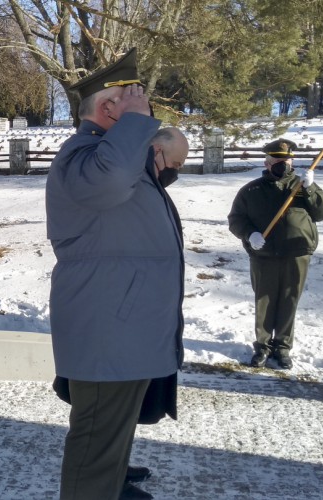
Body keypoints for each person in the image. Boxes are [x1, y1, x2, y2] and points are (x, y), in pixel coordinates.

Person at [45, 48, 185, 500]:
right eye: (138, 104)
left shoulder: (112, 158)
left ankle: (111, 487)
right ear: (110, 110)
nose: (148, 113)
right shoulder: (83, 157)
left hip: (123, 330)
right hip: (109, 330)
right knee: (94, 446)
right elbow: (107, 183)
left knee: (113, 433)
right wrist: (135, 127)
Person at [228, 138, 323, 369]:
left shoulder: (302, 186)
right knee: (264, 300)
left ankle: (283, 347)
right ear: (267, 163)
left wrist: (311, 189)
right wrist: (250, 234)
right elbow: (236, 220)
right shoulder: (251, 190)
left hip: (297, 252)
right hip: (264, 255)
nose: (283, 164)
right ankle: (263, 347)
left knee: (289, 300)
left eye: (287, 160)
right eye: (277, 160)